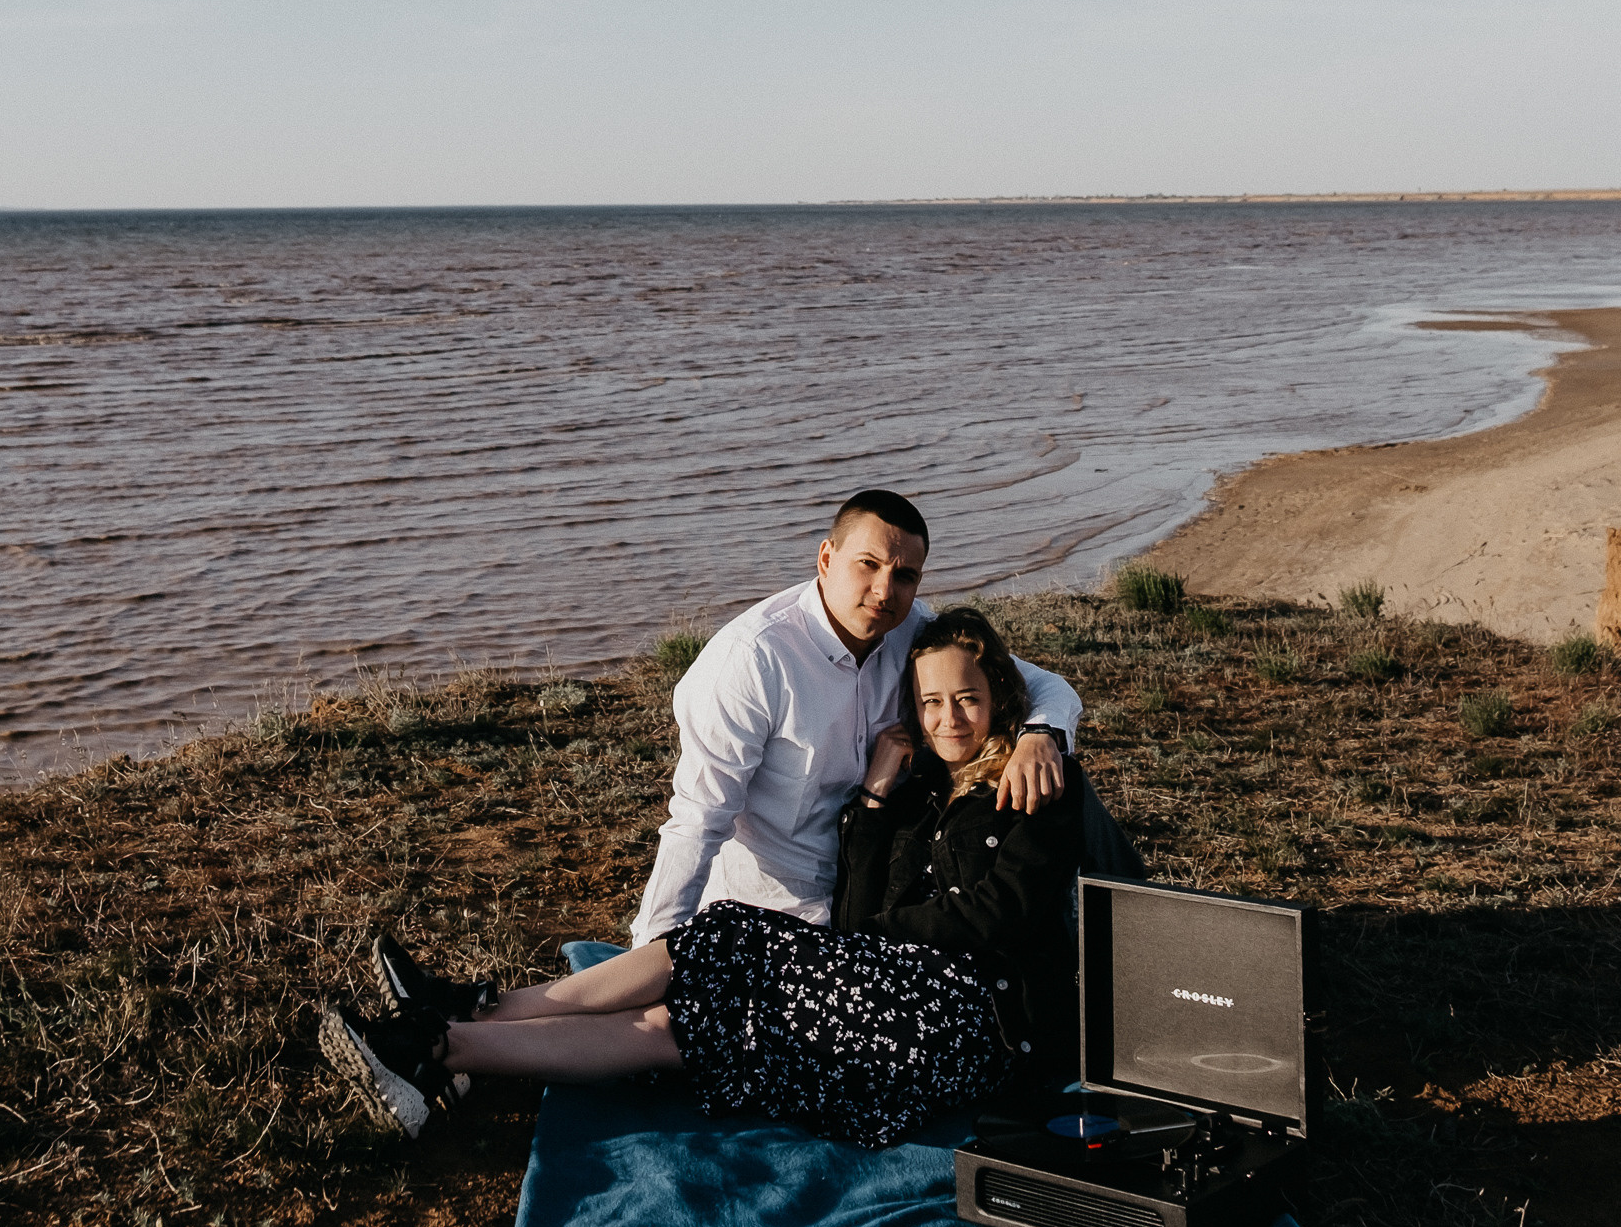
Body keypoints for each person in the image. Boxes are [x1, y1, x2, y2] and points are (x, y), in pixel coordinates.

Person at [320, 605, 1084, 1148]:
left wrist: (1042, 735)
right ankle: (449, 1033)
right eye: (930, 703)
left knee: (707, 1020)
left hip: (971, 1026)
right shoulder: (915, 795)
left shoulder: (1038, 785)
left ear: (1000, 701)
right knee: (715, 954)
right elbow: (852, 914)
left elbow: (998, 918)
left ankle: (443, 1044)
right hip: (883, 983)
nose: (949, 718)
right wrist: (877, 802)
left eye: (968, 700)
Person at [622, 487, 1080, 953]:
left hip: (877, 901)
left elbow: (1045, 686)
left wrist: (1040, 734)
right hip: (774, 913)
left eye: (904, 576)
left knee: (1061, 789)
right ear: (826, 558)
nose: (884, 591)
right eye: (868, 564)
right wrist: (652, 948)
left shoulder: (912, 630)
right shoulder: (753, 660)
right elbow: (698, 821)